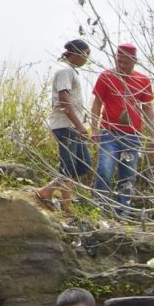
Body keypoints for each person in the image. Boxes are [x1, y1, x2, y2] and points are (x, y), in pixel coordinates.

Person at [91, 44, 153, 214]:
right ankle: (100, 208)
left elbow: (147, 106)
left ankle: (122, 212)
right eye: (119, 61)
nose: (122, 65)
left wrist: (153, 133)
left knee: (128, 175)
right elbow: (97, 102)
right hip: (109, 132)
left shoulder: (143, 80)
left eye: (126, 62)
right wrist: (94, 128)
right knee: (105, 169)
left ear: (134, 61)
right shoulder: (106, 77)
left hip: (132, 135)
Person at [44, 40, 94, 205]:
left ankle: (47, 191)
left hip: (72, 125)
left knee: (82, 164)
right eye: (86, 54)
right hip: (65, 125)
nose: (86, 59)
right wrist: (80, 126)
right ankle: (66, 205)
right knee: (69, 165)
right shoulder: (65, 71)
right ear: (79, 53)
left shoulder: (71, 71)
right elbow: (64, 99)